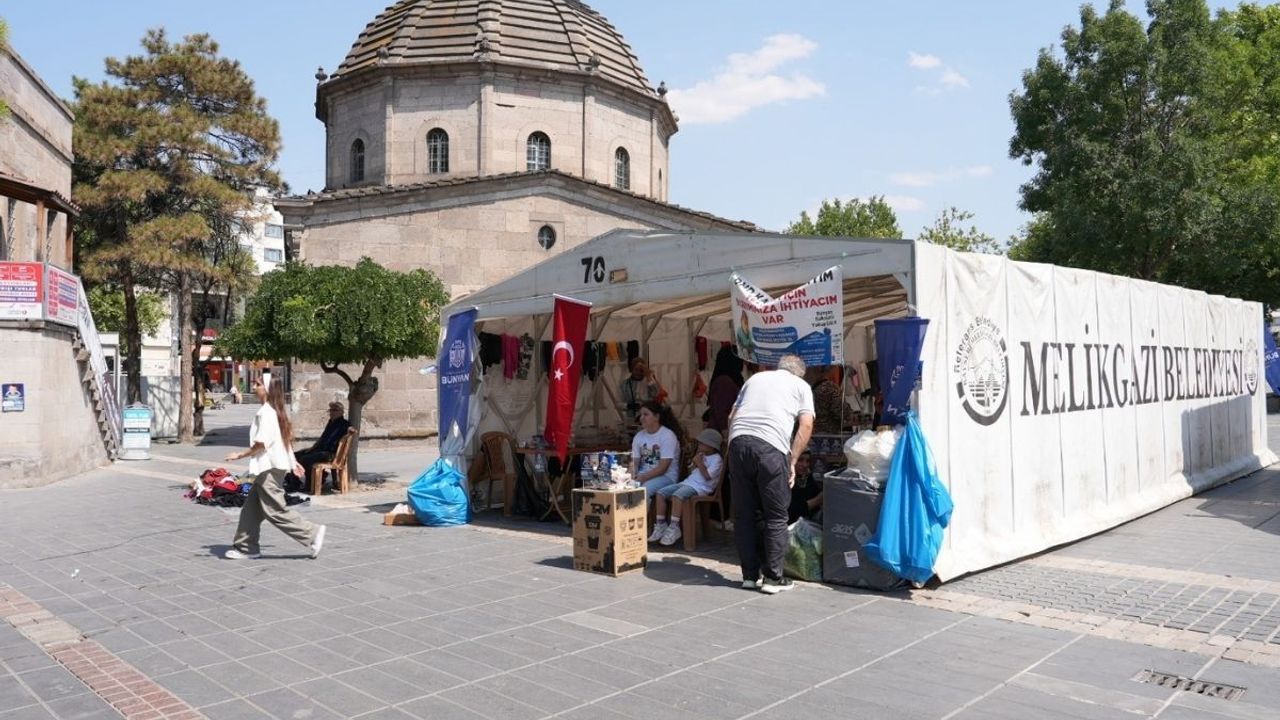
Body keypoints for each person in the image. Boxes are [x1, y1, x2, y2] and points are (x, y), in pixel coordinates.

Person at [727, 353, 814, 594]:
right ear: (799, 373)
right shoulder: (801, 386)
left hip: (738, 443)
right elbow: (806, 425)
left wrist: (734, 447)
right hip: (770, 448)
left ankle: (748, 575)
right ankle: (773, 579)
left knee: (744, 514)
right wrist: (793, 460)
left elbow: (731, 416)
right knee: (776, 515)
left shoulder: (755, 379)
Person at [222, 376, 327, 560]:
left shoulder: (267, 413)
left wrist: (239, 455)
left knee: (275, 510)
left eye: (258, 384)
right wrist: (293, 462)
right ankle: (247, 547)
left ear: (268, 389)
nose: (254, 387)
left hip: (269, 469)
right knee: (251, 510)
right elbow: (282, 441)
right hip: (269, 468)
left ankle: (312, 533)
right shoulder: (273, 412)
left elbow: (261, 444)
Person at [649, 428, 723, 546]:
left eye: (702, 443)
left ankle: (674, 527)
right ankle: (661, 524)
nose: (699, 445)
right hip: (688, 483)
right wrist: (694, 464)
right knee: (661, 493)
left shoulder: (717, 460)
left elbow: (707, 477)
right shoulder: (701, 455)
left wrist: (699, 464)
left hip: (701, 487)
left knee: (678, 495)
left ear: (711, 445)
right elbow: (693, 472)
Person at [629, 400, 683, 497]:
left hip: (666, 477)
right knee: (625, 487)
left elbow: (663, 468)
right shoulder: (639, 436)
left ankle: (641, 512)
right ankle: (627, 512)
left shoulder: (667, 436)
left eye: (646, 414)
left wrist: (643, 477)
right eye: (641, 415)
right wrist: (630, 475)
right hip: (643, 475)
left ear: (656, 417)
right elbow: (635, 462)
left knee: (644, 489)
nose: (641, 418)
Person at [295, 401, 352, 484]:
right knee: (295, 455)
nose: (332, 412)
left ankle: (311, 483)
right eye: (331, 410)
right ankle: (295, 482)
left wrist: (351, 430)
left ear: (341, 412)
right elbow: (322, 438)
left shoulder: (344, 423)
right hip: (321, 450)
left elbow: (350, 429)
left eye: (335, 410)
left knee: (306, 459)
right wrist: (312, 448)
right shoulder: (330, 422)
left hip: (331, 453)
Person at [705, 346, 744, 433]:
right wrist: (726, 433)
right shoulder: (724, 381)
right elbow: (721, 412)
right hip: (720, 433)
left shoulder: (730, 379)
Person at [809, 366, 852, 434]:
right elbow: (843, 412)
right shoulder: (830, 388)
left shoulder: (813, 387)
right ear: (831, 371)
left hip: (814, 431)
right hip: (829, 433)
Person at [788, 450, 823, 524]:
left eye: (808, 461)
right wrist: (818, 500)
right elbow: (793, 510)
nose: (805, 465)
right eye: (800, 460)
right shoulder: (786, 480)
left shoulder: (806, 477)